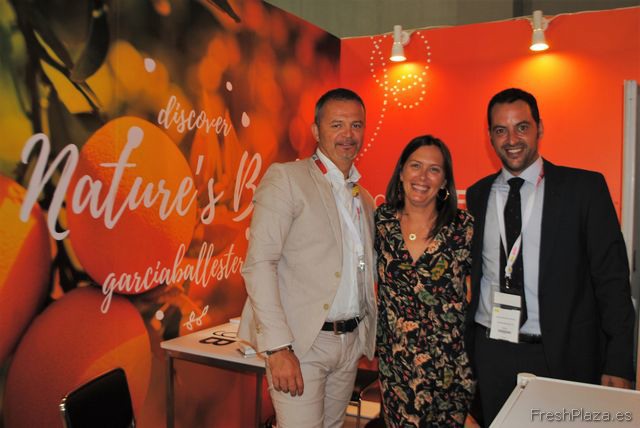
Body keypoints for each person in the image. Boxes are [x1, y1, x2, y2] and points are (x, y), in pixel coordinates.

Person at [466, 87, 635, 426]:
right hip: (492, 351)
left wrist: (618, 360)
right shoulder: (477, 194)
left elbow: (612, 281)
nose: (512, 139)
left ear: (539, 128)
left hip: (561, 354)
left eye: (522, 127)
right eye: (501, 130)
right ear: (490, 137)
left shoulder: (583, 190)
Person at [238, 88, 377, 428]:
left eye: (356, 125)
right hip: (301, 345)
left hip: (349, 343)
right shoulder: (287, 179)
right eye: (337, 125)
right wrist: (278, 348)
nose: (348, 135)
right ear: (316, 130)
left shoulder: (364, 198)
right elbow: (260, 264)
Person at [375, 135, 475, 427]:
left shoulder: (464, 228)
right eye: (415, 165)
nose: (422, 176)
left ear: (444, 181)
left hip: (451, 369)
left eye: (434, 169)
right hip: (397, 368)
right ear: (401, 171)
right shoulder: (381, 222)